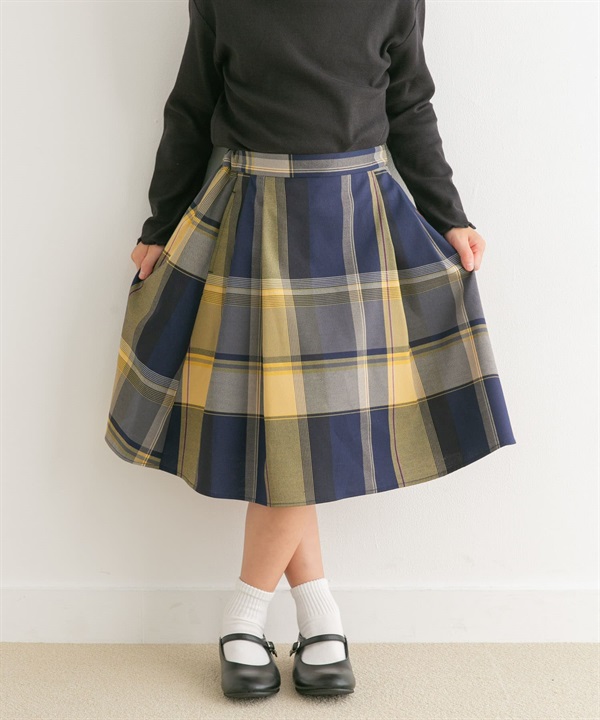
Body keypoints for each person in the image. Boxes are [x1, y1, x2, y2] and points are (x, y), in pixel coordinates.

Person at [104, 0, 517, 699]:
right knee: (291, 433)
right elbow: (191, 108)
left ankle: (249, 616)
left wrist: (450, 216)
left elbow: (410, 105)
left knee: (298, 434)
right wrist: (160, 223)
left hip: (354, 226)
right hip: (248, 220)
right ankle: (318, 616)